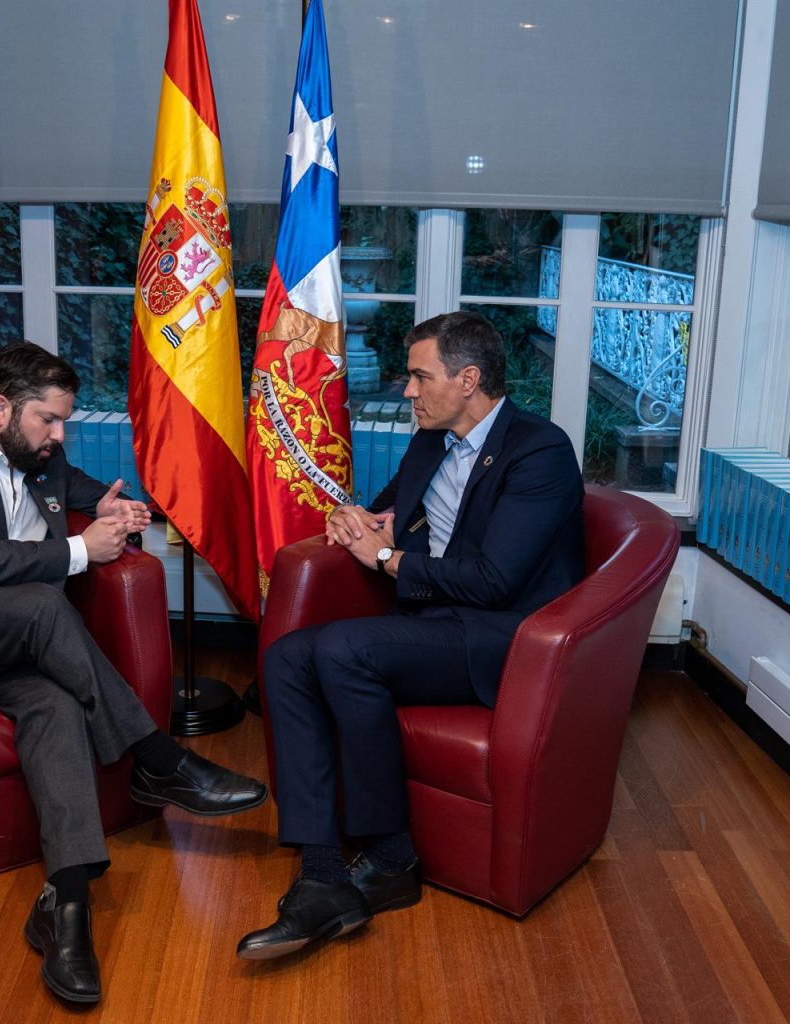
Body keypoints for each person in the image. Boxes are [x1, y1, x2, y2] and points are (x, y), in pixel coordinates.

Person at [0, 342, 267, 1004]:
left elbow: (88, 496)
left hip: (1, 648)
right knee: (44, 606)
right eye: (49, 420)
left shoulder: (38, 457)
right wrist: (80, 548)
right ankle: (159, 758)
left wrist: (118, 511)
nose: (59, 436)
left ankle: (66, 907)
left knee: (52, 707)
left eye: (63, 422)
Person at [238, 312, 585, 960]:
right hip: (432, 619)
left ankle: (393, 857)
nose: (407, 390)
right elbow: (390, 513)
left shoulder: (540, 450)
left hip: (504, 638)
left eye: (420, 376)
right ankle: (319, 871)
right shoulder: (431, 437)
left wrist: (386, 560)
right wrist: (355, 518)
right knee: (284, 657)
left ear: (468, 379)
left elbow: (493, 580)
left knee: (342, 650)